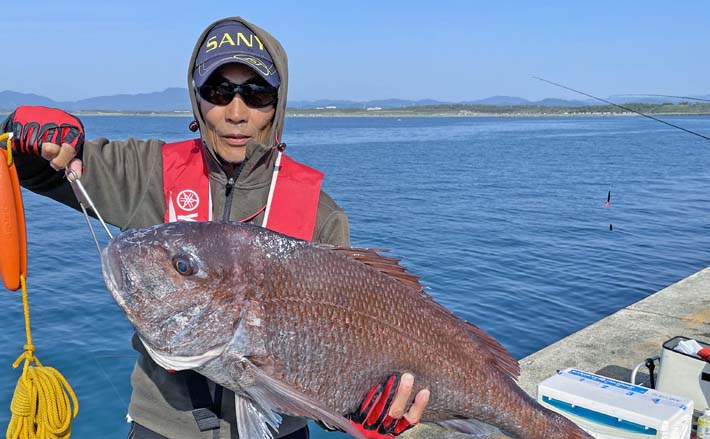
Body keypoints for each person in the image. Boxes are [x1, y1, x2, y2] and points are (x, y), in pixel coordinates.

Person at [1, 16, 429, 439]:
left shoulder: (320, 213)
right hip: (161, 427)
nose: (237, 113)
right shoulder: (149, 171)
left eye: (257, 93)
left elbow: (335, 364)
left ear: (277, 103)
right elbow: (45, 167)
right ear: (197, 98)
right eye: (219, 91)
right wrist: (21, 133)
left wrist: (363, 406)